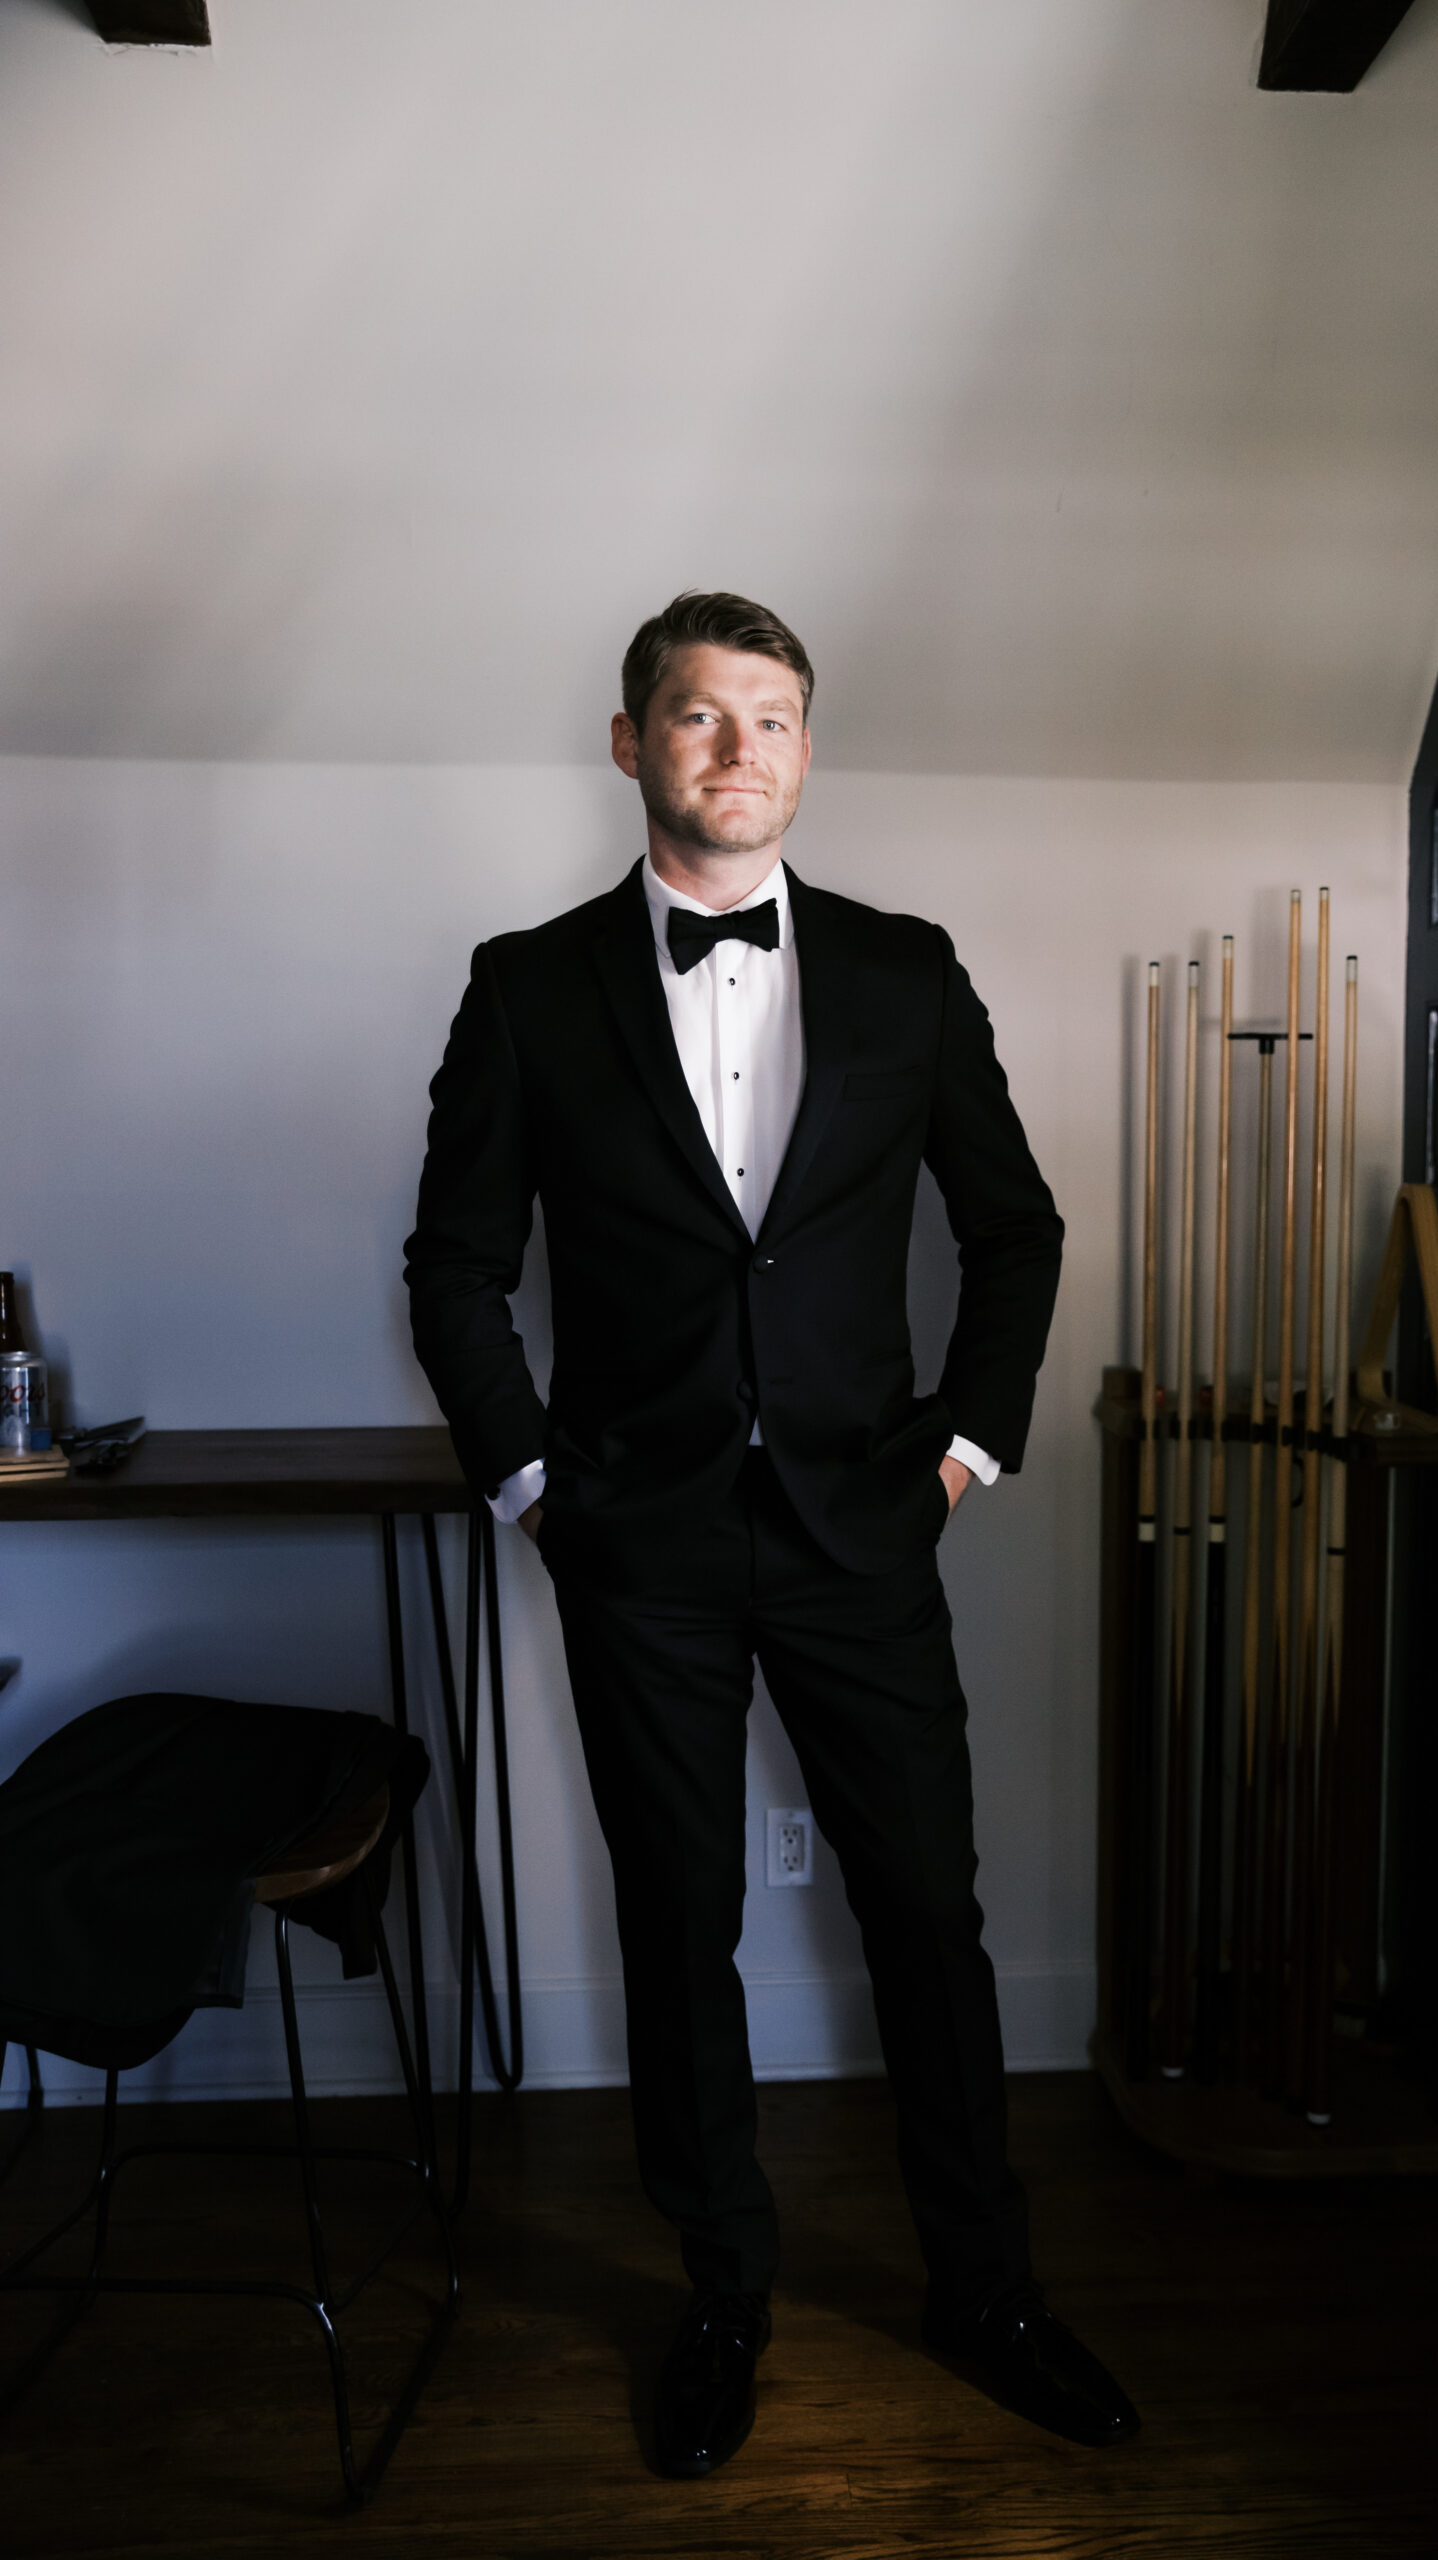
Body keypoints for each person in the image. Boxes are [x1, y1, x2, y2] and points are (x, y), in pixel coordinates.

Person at [405, 591, 1138, 2477]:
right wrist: (534, 1489)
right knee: (681, 1926)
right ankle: (722, 2290)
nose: (739, 752)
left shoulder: (905, 972)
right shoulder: (525, 986)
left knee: (932, 1921)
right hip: (634, 1542)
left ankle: (988, 2290)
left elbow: (1018, 1231)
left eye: (775, 720)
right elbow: (460, 1267)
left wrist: (964, 1452)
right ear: (636, 742)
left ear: (808, 753)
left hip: (861, 1533)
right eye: (701, 717)